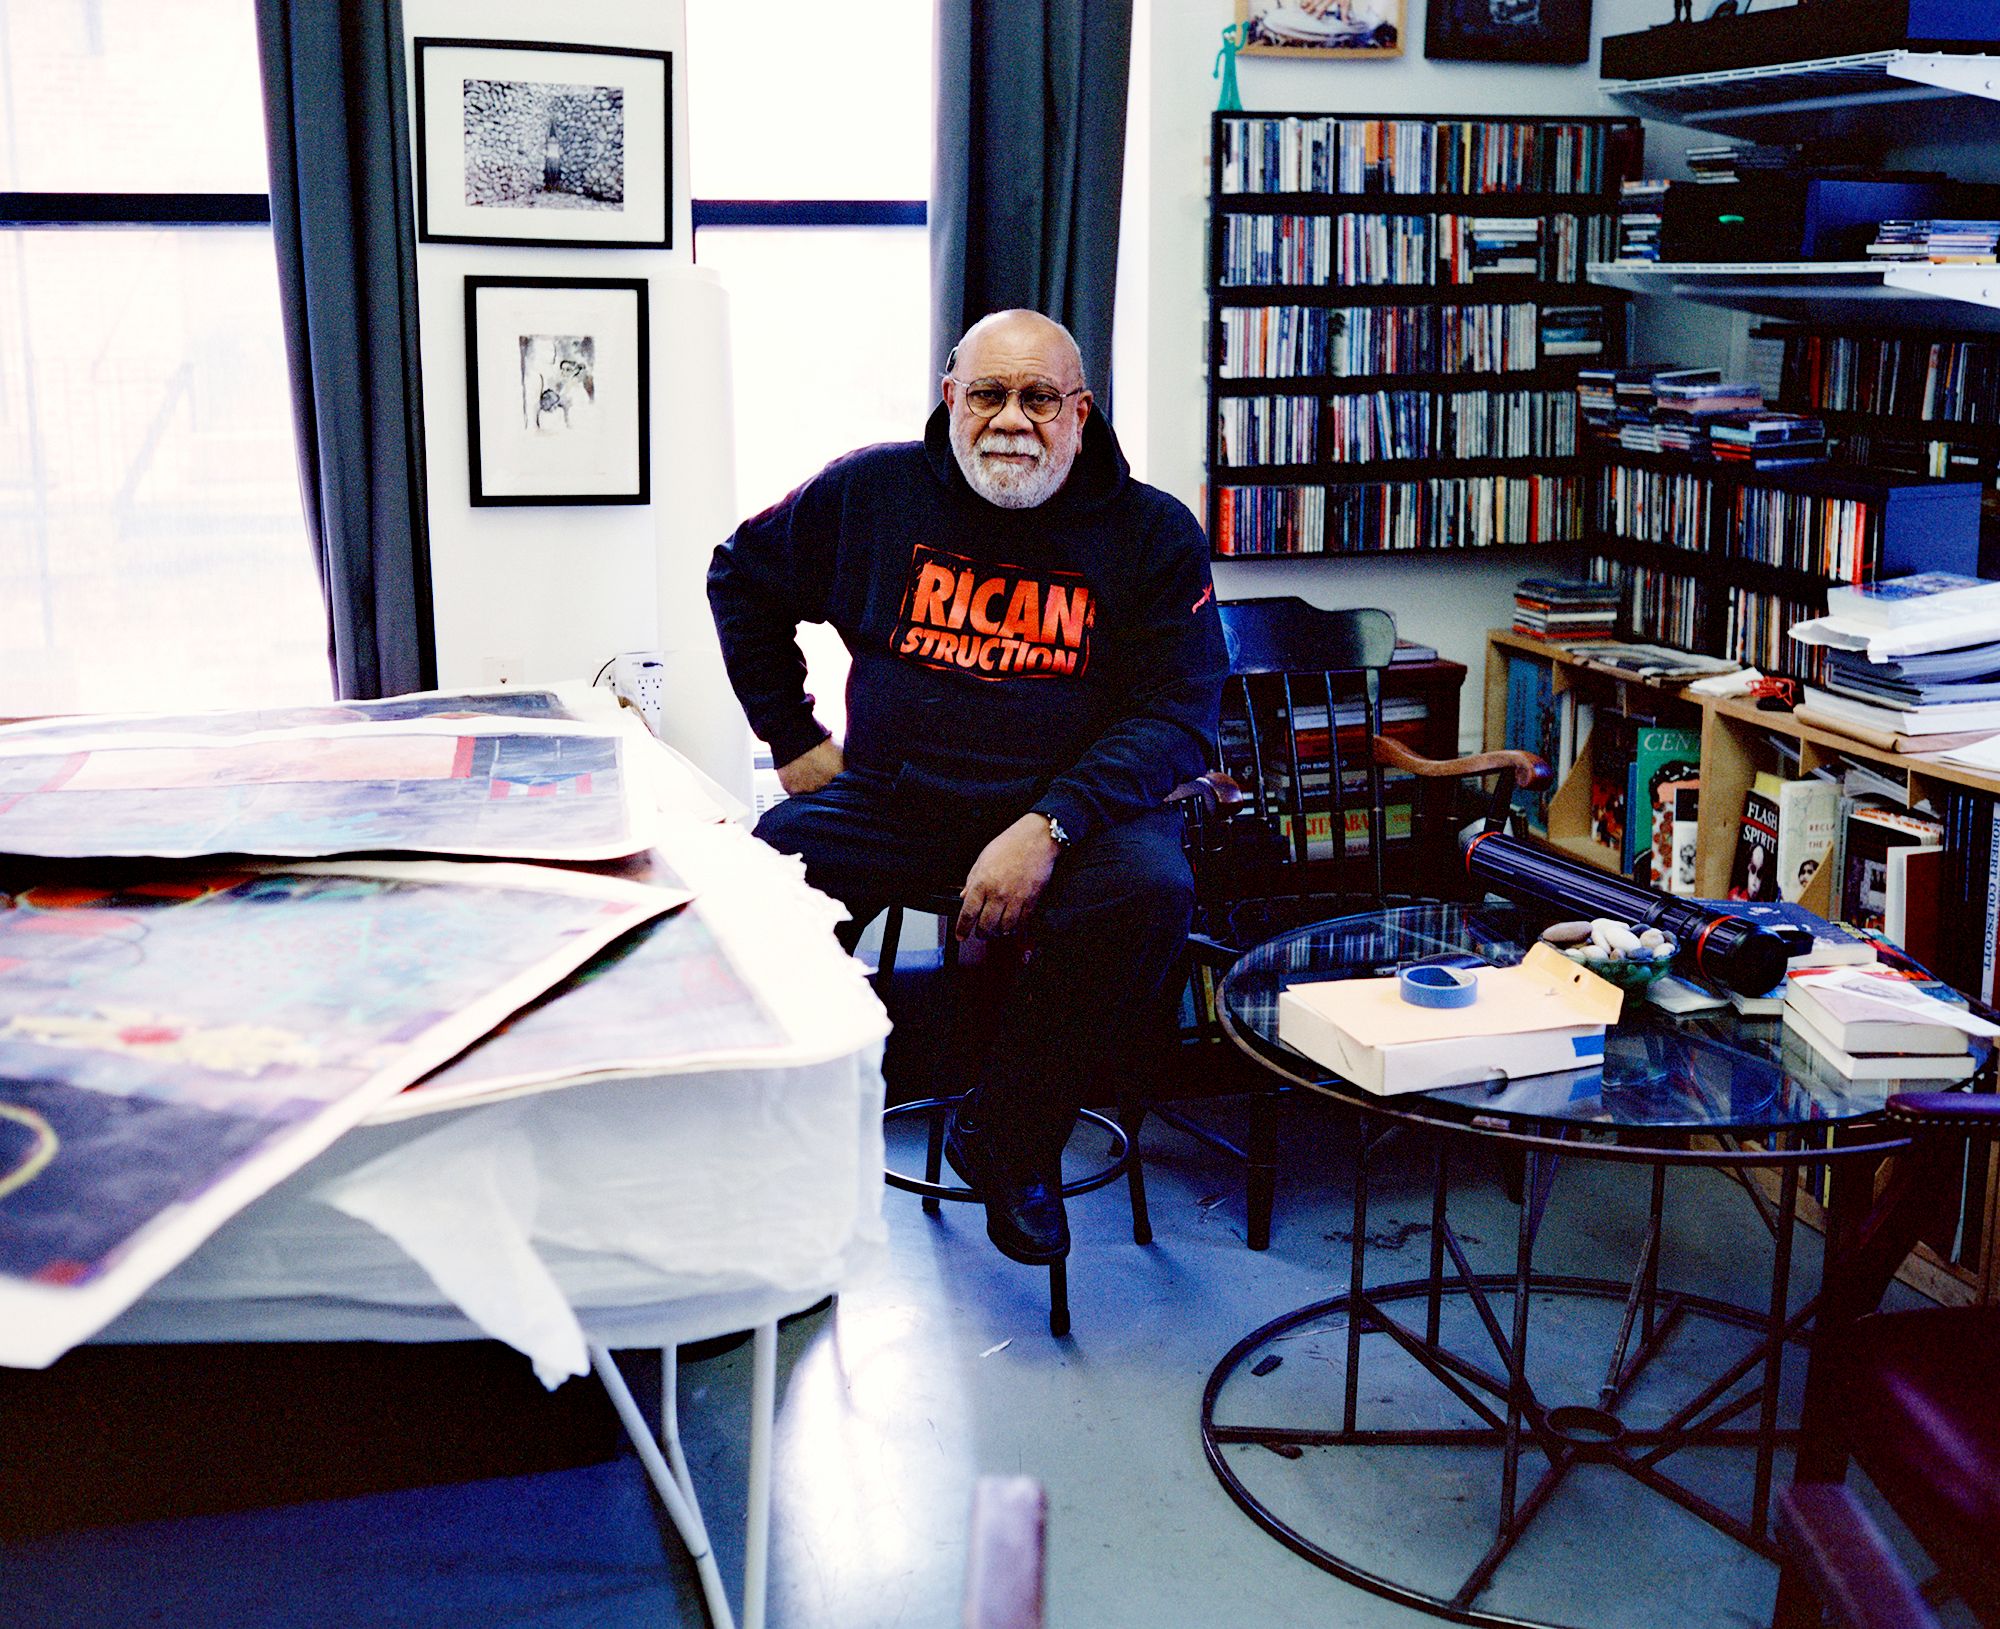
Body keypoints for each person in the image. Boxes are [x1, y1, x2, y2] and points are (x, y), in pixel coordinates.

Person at [707, 309, 1227, 1266]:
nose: (1011, 419)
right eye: (988, 394)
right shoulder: (873, 491)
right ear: (951, 398)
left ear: (1081, 412)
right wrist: (790, 732)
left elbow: (1183, 716)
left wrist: (1050, 823)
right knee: (755, 887)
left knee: (1154, 892)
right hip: (899, 799)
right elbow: (741, 574)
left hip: (1079, 816)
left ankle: (1010, 1130)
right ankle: (769, 1158)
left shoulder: (1152, 533)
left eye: (1039, 398)